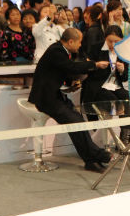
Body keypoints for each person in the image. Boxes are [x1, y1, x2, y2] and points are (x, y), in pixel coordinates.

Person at [28, 28, 112, 172]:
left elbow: (61, 72)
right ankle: (95, 156)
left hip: (55, 96)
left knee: (77, 120)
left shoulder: (59, 51)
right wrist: (94, 64)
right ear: (71, 41)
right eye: (79, 42)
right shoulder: (56, 51)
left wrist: (70, 84)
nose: (80, 46)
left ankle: (91, 159)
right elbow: (71, 67)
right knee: (76, 121)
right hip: (46, 99)